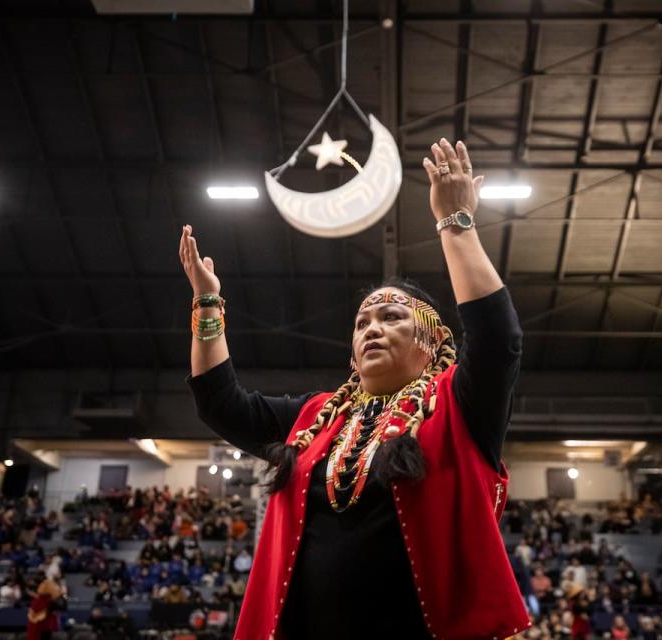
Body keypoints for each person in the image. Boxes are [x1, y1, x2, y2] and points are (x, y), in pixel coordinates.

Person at [181, 138, 529, 639]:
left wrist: (454, 221)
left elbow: (499, 339)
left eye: (391, 316)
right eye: (362, 321)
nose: (371, 327)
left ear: (432, 341)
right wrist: (208, 306)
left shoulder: (458, 404)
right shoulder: (315, 417)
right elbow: (219, 404)